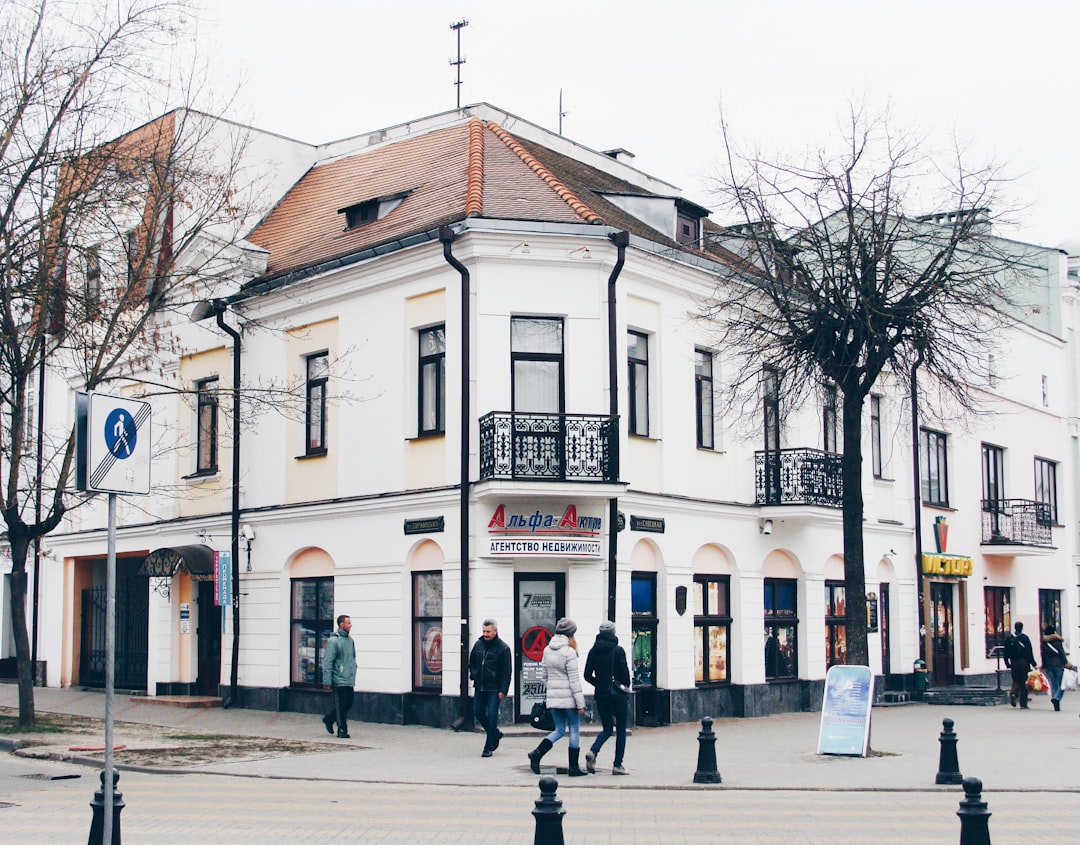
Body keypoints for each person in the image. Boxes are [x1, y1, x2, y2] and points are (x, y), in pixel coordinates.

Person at [528, 617, 586, 777]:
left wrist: (552, 692)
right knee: (574, 729)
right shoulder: (569, 652)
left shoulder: (547, 650)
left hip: (553, 698)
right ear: (570, 634)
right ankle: (574, 767)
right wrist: (580, 704)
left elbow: (544, 676)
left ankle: (537, 753)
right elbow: (574, 680)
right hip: (569, 699)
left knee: (559, 730)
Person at [583, 620, 631, 775]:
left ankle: (593, 751)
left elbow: (587, 675)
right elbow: (624, 674)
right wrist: (623, 684)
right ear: (613, 633)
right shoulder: (618, 650)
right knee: (621, 729)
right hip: (617, 695)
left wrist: (600, 683)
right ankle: (618, 765)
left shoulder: (593, 651)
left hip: (601, 695)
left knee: (607, 728)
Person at [468, 618, 512, 757]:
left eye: (488, 631)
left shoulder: (503, 648)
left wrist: (503, 690)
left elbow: (507, 671)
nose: (485, 634)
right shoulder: (478, 644)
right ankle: (495, 733)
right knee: (477, 712)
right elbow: (472, 662)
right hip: (480, 686)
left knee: (492, 715)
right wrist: (473, 675)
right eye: (484, 631)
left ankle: (488, 747)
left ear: (495, 631)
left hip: (494, 688)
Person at [322, 614, 357, 738]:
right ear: (341, 624)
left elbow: (352, 659)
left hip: (348, 678)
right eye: (348, 623)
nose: (350, 625)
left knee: (349, 703)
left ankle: (328, 719)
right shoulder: (333, 641)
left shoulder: (350, 640)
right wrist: (327, 681)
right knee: (341, 705)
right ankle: (342, 730)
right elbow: (328, 661)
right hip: (338, 679)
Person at [1003, 620, 1037, 709]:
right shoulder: (1025, 638)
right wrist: (1033, 663)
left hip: (1013, 662)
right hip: (1024, 662)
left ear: (1014, 628)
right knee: (1024, 682)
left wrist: (1007, 663)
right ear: (1022, 628)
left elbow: (1005, 652)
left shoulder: (1009, 638)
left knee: (1016, 680)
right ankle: (1023, 703)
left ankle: (1013, 693)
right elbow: (1029, 651)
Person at [1040, 625, 1070, 711]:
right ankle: (1056, 698)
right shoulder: (1057, 641)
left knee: (1053, 685)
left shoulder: (1044, 643)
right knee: (1061, 685)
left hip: (1049, 666)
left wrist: (1044, 666)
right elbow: (1061, 653)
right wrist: (1065, 663)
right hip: (1058, 665)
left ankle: (1055, 702)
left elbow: (1043, 655)